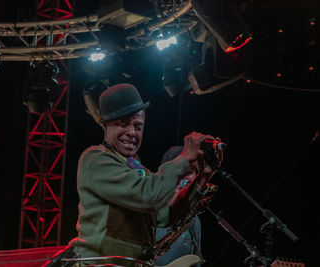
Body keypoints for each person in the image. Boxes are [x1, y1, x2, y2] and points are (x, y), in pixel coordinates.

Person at [69, 83, 222, 265]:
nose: (132, 133)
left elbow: (164, 216)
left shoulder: (133, 165)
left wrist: (202, 177)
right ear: (105, 126)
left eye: (138, 126)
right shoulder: (95, 158)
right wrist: (184, 158)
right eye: (122, 125)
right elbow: (149, 196)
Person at [155, 146, 203, 267]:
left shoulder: (194, 220)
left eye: (193, 170)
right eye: (184, 168)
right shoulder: (146, 207)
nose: (189, 175)